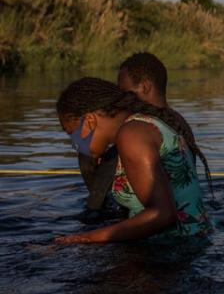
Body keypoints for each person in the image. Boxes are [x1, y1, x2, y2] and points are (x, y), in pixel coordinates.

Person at [54, 77, 212, 244]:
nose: (75, 144)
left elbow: (163, 214)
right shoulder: (142, 124)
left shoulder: (131, 135)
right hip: (189, 242)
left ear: (90, 121)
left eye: (72, 134)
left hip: (173, 248)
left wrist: (84, 238)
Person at [77, 52, 211, 221]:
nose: (121, 98)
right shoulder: (178, 121)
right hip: (186, 215)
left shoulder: (138, 129)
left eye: (124, 91)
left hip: (157, 223)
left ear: (146, 87)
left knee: (85, 155)